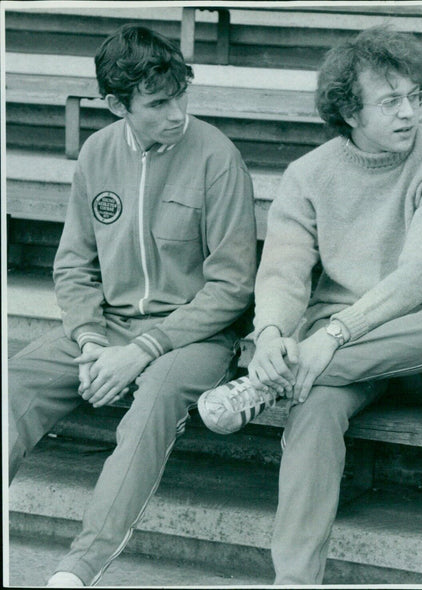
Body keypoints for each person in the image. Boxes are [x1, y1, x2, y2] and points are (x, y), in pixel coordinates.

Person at [197, 25, 422, 584]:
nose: (409, 113)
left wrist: (328, 339)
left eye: (416, 96)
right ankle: (294, 579)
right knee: (314, 403)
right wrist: (268, 337)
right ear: (349, 112)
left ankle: (272, 383)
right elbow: (284, 272)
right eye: (391, 102)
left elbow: (415, 280)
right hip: (331, 358)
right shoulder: (308, 175)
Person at [7, 24, 257, 587]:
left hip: (194, 336)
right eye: (158, 103)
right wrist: (93, 340)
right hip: (106, 327)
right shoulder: (97, 153)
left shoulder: (218, 156)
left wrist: (142, 350)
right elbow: (74, 266)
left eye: (181, 97)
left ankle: (79, 567)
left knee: (154, 400)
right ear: (118, 104)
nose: (177, 114)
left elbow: (232, 287)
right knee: (14, 382)